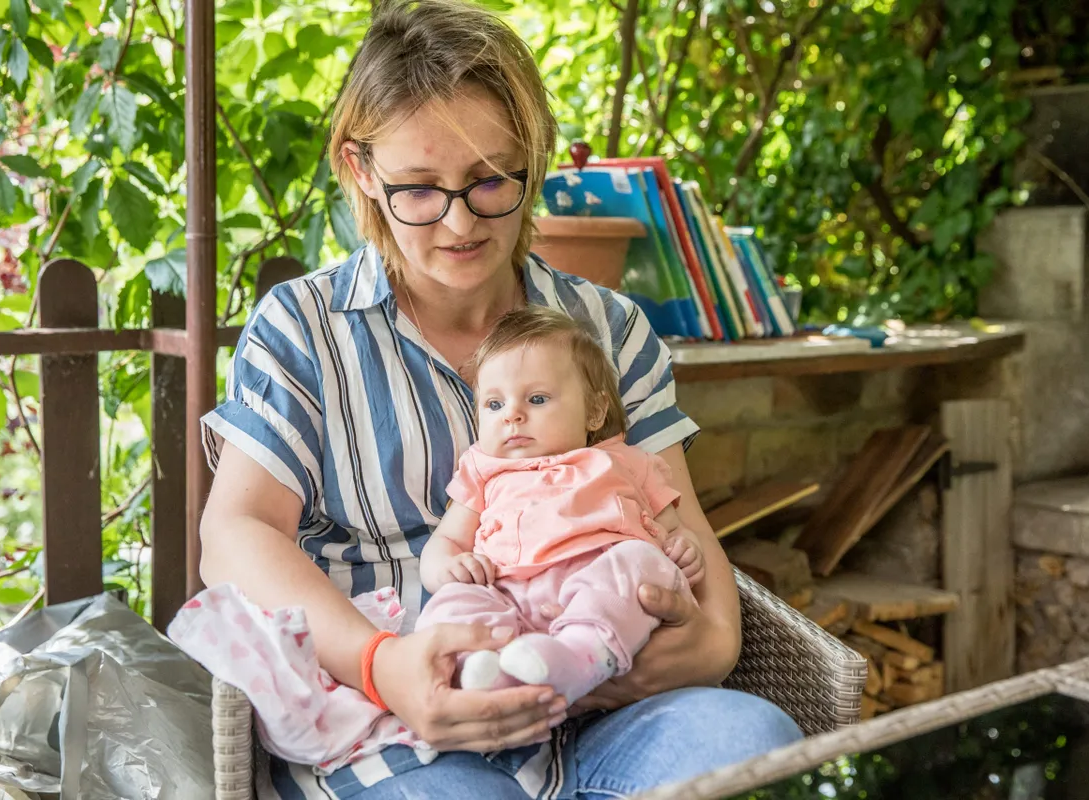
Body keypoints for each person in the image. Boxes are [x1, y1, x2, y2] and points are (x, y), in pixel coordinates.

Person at [197, 0, 803, 796]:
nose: (459, 224)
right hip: (399, 722)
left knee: (757, 741)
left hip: (605, 698)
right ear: (361, 169)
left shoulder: (609, 330)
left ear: (532, 160)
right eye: (420, 189)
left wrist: (712, 644)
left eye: (490, 181)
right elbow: (234, 534)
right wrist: (384, 666)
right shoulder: (304, 329)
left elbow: (681, 521)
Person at [416, 306, 707, 706]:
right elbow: (446, 541)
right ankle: (483, 671)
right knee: (453, 601)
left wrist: (685, 548)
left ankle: (579, 658)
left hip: (601, 592)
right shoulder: (483, 469)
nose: (512, 415)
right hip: (509, 597)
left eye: (537, 399)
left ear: (594, 411)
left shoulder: (627, 462)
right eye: (494, 405)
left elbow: (674, 530)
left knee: (642, 560)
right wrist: (447, 569)